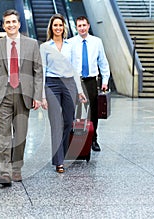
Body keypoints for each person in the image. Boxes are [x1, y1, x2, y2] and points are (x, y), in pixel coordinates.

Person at [0, 9, 43, 186]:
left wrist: (38, 96)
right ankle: (5, 171)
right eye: (7, 22)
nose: (11, 25)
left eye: (13, 22)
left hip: (23, 94)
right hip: (2, 94)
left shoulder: (32, 44)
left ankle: (17, 167)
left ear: (19, 24)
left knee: (20, 133)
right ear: (3, 26)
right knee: (3, 134)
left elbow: (38, 72)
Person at [40, 14, 87, 173]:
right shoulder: (45, 46)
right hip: (52, 84)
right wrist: (42, 96)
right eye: (55, 25)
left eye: (60, 25)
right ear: (51, 28)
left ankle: (63, 153)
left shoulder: (70, 46)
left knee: (68, 121)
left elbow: (75, 69)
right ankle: (58, 161)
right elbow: (42, 71)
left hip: (69, 84)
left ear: (64, 27)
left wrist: (79, 90)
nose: (58, 28)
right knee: (56, 122)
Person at [68, 16, 110, 152]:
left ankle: (93, 139)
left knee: (92, 111)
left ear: (89, 26)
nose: (82, 28)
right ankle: (76, 140)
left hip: (91, 80)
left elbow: (103, 62)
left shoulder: (97, 42)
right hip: (76, 81)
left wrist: (105, 81)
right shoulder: (70, 43)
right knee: (75, 111)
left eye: (84, 25)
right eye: (79, 26)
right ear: (76, 27)